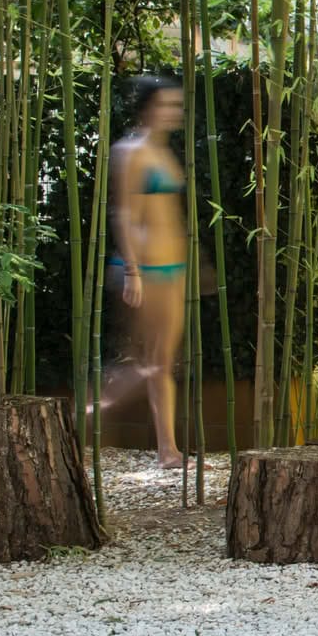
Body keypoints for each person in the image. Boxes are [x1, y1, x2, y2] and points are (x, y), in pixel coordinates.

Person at [101, 76, 189, 468]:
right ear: (146, 108)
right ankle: (85, 414)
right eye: (166, 105)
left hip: (173, 269)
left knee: (159, 363)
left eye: (176, 105)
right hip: (146, 270)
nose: (173, 112)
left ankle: (168, 449)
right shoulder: (130, 151)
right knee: (150, 364)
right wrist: (133, 272)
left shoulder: (163, 151)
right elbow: (123, 215)